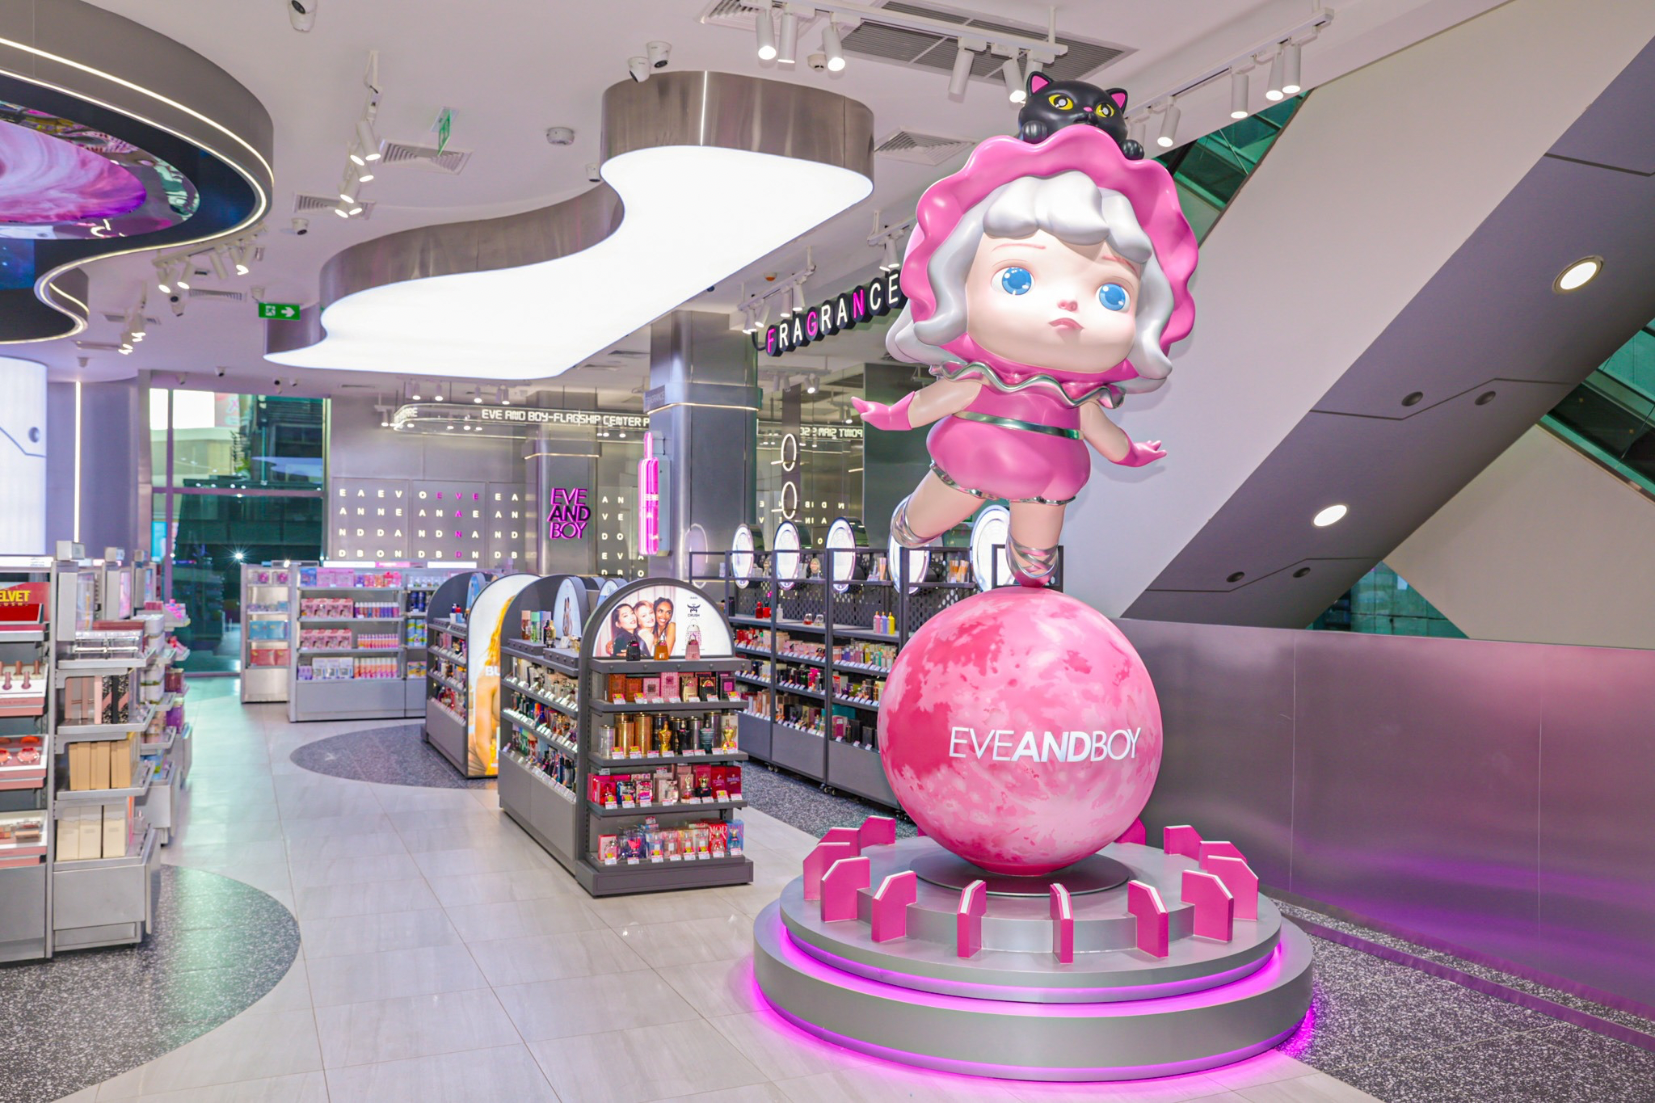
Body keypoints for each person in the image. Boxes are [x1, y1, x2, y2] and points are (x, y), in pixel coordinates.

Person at [856, 120, 1197, 587]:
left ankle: (1031, 577)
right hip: (971, 460)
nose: (1068, 304)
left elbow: (1103, 433)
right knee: (917, 527)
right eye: (1017, 278)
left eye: (1112, 294)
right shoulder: (981, 380)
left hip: (1049, 478)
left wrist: (1133, 453)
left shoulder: (1079, 397)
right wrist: (889, 415)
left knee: (1036, 563)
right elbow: (932, 402)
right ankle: (910, 528)